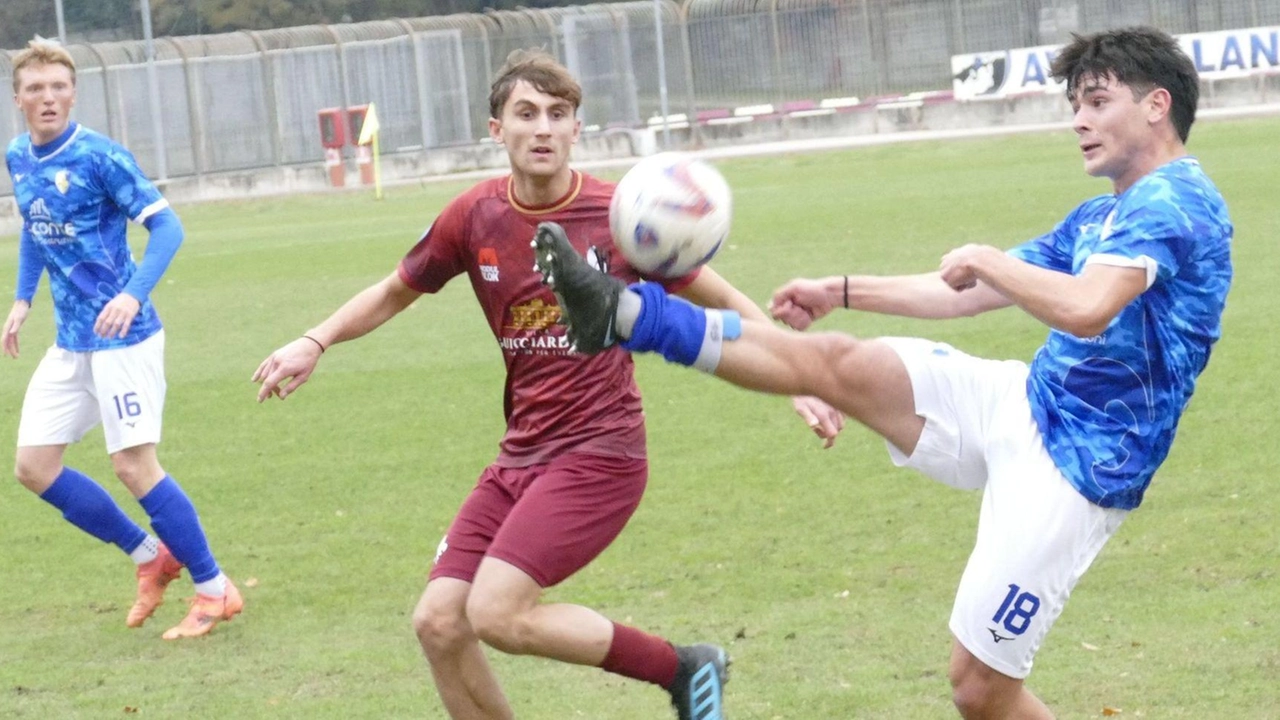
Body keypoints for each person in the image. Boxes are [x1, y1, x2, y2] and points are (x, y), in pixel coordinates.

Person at [533, 27, 1231, 719]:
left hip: (1081, 470)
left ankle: (630, 316)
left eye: (1097, 101)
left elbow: (1084, 309)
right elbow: (966, 289)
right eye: (1075, 103)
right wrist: (838, 290)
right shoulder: (1104, 213)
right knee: (841, 360)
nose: (1079, 119)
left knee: (979, 691)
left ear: (1155, 105)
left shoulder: (1176, 201)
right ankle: (625, 317)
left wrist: (989, 258)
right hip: (1024, 399)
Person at [252, 49, 839, 720]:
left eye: (558, 115)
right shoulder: (472, 217)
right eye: (525, 114)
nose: (543, 129)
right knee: (439, 624)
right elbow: (393, 292)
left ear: (575, 129)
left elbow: (725, 304)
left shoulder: (623, 218)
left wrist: (799, 377)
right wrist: (315, 338)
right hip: (520, 454)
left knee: (496, 612)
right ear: (496, 129)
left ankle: (683, 667)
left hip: (601, 454)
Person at [4, 41, 242, 639]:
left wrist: (133, 292)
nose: (48, 97)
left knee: (133, 465)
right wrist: (22, 298)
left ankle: (215, 591)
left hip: (125, 338)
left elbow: (168, 226)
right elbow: (35, 227)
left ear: (73, 91)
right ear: (18, 99)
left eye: (58, 85)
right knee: (33, 467)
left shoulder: (101, 157)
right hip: (71, 342)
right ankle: (149, 557)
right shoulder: (18, 156)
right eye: (35, 88)